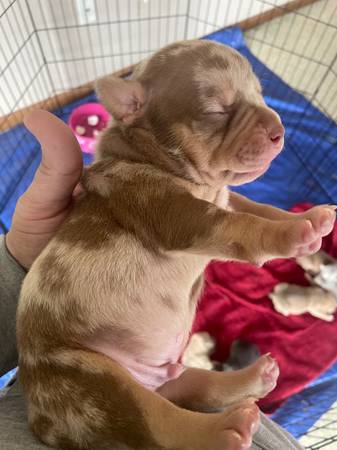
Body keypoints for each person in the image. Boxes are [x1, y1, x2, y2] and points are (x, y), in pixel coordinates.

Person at [0, 110, 304, 449]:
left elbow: (225, 204)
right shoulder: (131, 176)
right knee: (110, 389)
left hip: (104, 356)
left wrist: (18, 261)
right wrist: (274, 236)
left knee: (158, 383)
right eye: (215, 114)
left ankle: (194, 396)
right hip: (72, 381)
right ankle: (173, 429)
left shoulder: (174, 174)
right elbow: (204, 224)